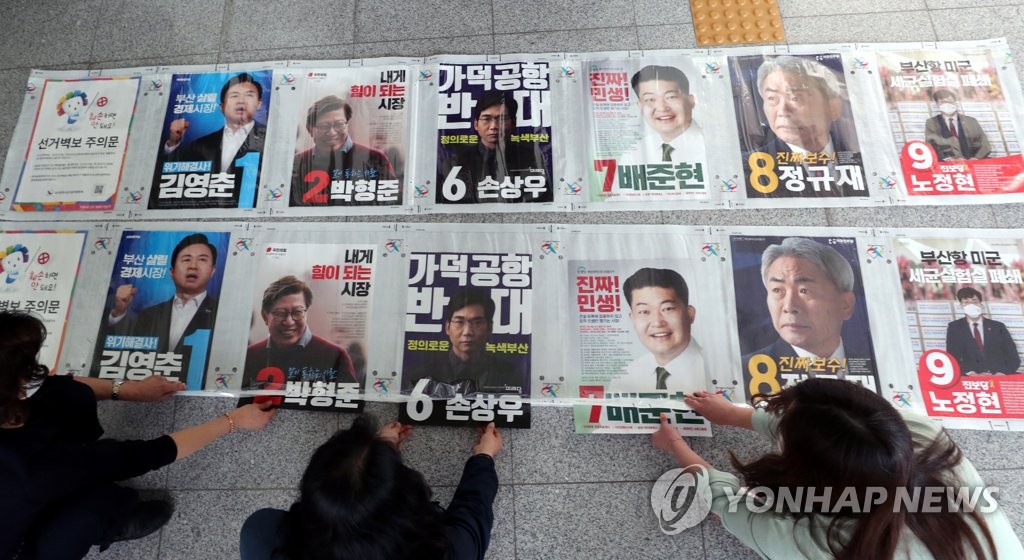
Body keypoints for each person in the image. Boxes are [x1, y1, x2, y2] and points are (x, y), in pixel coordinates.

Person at [0, 310, 277, 559]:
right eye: (26, 373)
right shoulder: (36, 466)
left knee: (62, 401)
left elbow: (53, 386)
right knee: (91, 508)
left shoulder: (13, 399)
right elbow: (144, 455)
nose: (37, 373)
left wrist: (130, 390)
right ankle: (109, 523)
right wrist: (233, 421)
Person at [650, 379, 1023, 559]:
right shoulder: (921, 433)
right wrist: (735, 414)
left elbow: (724, 499)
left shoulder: (821, 548)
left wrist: (676, 446)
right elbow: (834, 431)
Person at [239, 415, 503, 560]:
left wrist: (372, 456)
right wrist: (484, 457)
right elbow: (473, 513)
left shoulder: (261, 536)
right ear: (407, 502)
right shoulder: (453, 552)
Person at [742, 237, 870, 378]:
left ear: (845, 304)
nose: (789, 306)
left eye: (804, 290)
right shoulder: (745, 372)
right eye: (777, 290)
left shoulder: (874, 367)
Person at [747, 56, 860, 197]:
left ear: (833, 107)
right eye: (772, 98)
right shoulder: (751, 168)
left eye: (795, 98)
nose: (782, 111)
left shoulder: (860, 156)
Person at [98, 233, 219, 356]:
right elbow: (115, 349)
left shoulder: (220, 313)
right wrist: (119, 312)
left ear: (212, 271)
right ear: (172, 272)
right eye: (186, 259)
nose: (193, 266)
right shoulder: (149, 315)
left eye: (202, 259)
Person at [158, 72, 267, 205]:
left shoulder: (270, 139)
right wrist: (173, 143)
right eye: (234, 96)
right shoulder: (199, 145)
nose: (241, 101)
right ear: (222, 107)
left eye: (249, 95)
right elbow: (169, 175)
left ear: (259, 104)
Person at [401, 288, 524, 398]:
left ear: (489, 328)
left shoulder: (509, 375)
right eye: (459, 322)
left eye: (477, 323)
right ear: (447, 327)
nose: (467, 332)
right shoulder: (421, 374)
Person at [242, 275, 359, 391]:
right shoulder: (249, 356)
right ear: (265, 316)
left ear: (306, 313)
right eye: (280, 313)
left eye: (297, 312)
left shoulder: (336, 355)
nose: (289, 322)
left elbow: (350, 399)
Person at [438, 90, 551, 203]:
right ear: (476, 124)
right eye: (486, 119)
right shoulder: (456, 161)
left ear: (514, 123)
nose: (493, 126)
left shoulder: (531, 158)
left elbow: (542, 200)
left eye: (502, 119)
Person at [609, 268, 707, 394]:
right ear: (632, 319)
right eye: (644, 311)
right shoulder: (624, 378)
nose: (657, 322)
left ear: (690, 314)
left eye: (667, 309)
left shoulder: (715, 371)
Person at [290, 95, 397, 205]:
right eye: (324, 126)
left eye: (339, 124)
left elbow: (391, 200)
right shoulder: (297, 162)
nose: (332, 132)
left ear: (347, 125)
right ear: (310, 130)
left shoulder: (375, 158)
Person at [618, 65, 705, 167]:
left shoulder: (711, 145)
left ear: (691, 101)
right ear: (640, 106)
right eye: (650, 99)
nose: (662, 108)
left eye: (671, 97)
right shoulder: (634, 153)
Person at [945, 287, 1020, 375]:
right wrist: (970, 373)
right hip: (971, 379)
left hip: (998, 377)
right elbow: (952, 357)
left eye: (975, 302)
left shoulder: (998, 327)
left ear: (981, 304)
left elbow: (1013, 358)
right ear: (961, 305)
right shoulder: (954, 327)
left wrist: (1001, 373)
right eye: (966, 302)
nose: (971, 305)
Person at [925, 89, 992, 161]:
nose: (946, 104)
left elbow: (985, 145)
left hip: (972, 163)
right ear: (937, 104)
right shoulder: (931, 123)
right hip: (946, 164)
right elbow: (930, 146)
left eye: (949, 101)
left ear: (955, 103)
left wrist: (975, 158)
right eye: (942, 102)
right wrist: (946, 159)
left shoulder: (971, 121)